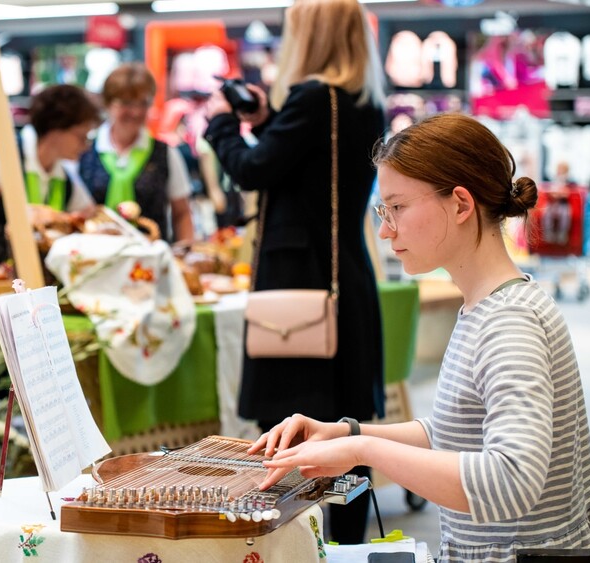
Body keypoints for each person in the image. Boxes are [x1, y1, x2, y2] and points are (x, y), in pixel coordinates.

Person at [251, 113, 590, 561]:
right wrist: (346, 432)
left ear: (461, 204)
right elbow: (457, 431)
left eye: (397, 208)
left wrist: (364, 449)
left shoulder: (509, 323)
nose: (386, 230)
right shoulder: (490, 305)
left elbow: (511, 482)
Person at [202, 0, 386, 543]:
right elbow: (302, 162)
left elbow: (254, 168)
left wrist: (220, 125)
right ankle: (347, 547)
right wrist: (266, 121)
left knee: (288, 435)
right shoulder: (359, 102)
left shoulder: (311, 98)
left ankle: (288, 547)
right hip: (343, 281)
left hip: (297, 289)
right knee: (346, 439)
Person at [0, 84, 100, 294]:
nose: (86, 146)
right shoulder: (1, 155)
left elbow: (90, 216)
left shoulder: (64, 176)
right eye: (82, 136)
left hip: (22, 295)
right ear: (57, 128)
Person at [78, 63, 195, 243]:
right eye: (126, 103)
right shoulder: (84, 152)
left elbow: (182, 213)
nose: (136, 111)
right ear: (108, 104)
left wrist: (184, 251)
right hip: (94, 258)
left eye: (143, 103)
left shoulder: (165, 153)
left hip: (152, 260)